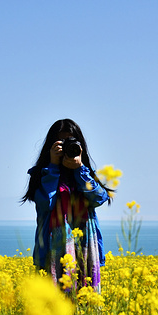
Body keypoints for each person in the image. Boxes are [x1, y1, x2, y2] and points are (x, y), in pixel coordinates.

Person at [21, 119, 112, 294]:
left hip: (85, 249)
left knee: (86, 302)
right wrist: (53, 167)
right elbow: (45, 203)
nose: (66, 147)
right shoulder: (41, 174)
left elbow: (99, 198)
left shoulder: (85, 173)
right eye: (61, 142)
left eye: (71, 142)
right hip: (52, 251)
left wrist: (80, 169)